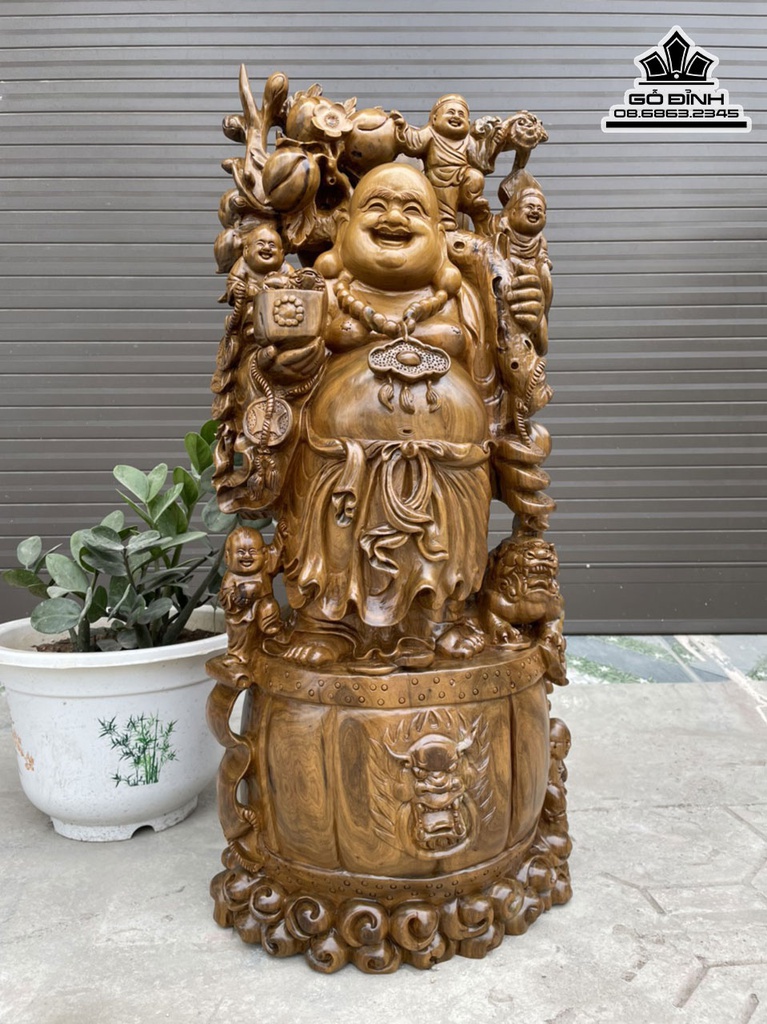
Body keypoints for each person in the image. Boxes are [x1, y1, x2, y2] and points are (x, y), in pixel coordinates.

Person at [263, 163, 497, 667]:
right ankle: (327, 622)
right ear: (344, 226)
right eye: (377, 206)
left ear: (440, 233)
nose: (394, 217)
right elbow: (282, 376)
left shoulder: (459, 297)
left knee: (442, 544)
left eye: (413, 209)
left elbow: (488, 379)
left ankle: (439, 618)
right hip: (342, 462)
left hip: (448, 463)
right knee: (334, 536)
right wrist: (289, 362)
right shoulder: (323, 292)